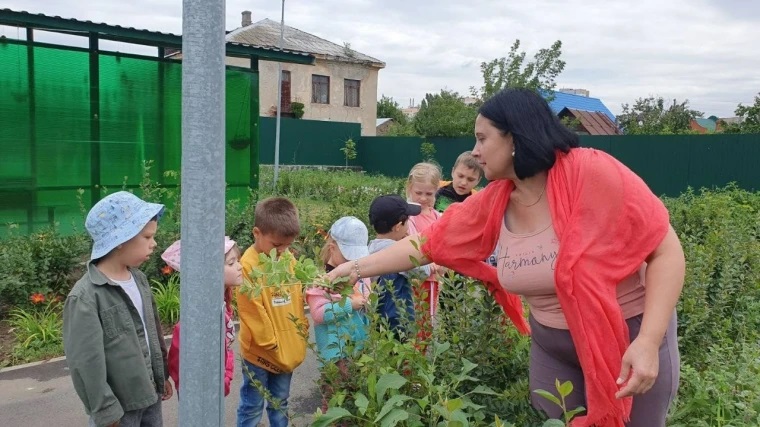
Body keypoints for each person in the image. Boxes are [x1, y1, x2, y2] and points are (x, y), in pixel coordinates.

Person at [328, 88, 685, 427]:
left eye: (483, 138)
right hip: (553, 344)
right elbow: (428, 245)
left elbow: (666, 250)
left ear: (515, 137)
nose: (476, 151)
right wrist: (353, 267)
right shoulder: (496, 200)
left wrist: (649, 342)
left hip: (628, 337)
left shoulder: (593, 173)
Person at [63, 191, 173, 427]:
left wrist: (161, 375)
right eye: (147, 237)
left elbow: (152, 332)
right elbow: (85, 362)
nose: (154, 243)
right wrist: (105, 411)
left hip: (150, 395)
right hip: (119, 409)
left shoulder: (139, 279)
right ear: (120, 239)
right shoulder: (85, 297)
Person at [236, 197, 307, 427]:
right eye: (277, 245)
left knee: (281, 402)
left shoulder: (286, 258)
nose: (283, 251)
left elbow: (296, 296)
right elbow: (252, 311)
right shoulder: (247, 265)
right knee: (251, 406)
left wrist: (300, 331)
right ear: (257, 232)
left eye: (288, 245)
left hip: (285, 348)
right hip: (259, 352)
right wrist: (272, 344)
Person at [305, 216, 372, 413]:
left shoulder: (360, 275)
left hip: (359, 347)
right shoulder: (320, 281)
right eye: (349, 255)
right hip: (335, 353)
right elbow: (318, 313)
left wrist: (366, 299)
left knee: (355, 400)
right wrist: (349, 304)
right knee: (335, 401)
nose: (354, 261)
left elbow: (368, 299)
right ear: (333, 248)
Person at [162, 236, 242, 398]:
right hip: (200, 394)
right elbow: (181, 356)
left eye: (237, 261)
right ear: (209, 272)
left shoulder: (221, 299)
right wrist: (224, 380)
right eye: (231, 263)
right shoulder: (203, 313)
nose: (240, 267)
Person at [367, 195, 429, 341]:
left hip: (377, 319)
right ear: (398, 226)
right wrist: (407, 242)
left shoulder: (370, 248)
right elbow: (423, 271)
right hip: (397, 321)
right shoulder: (397, 253)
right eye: (407, 221)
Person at [404, 162, 443, 340]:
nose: (423, 198)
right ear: (409, 188)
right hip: (417, 276)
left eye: (429, 194)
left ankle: (418, 360)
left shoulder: (437, 216)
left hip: (433, 278)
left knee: (426, 323)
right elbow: (412, 245)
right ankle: (411, 363)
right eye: (418, 193)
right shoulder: (408, 216)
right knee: (415, 322)